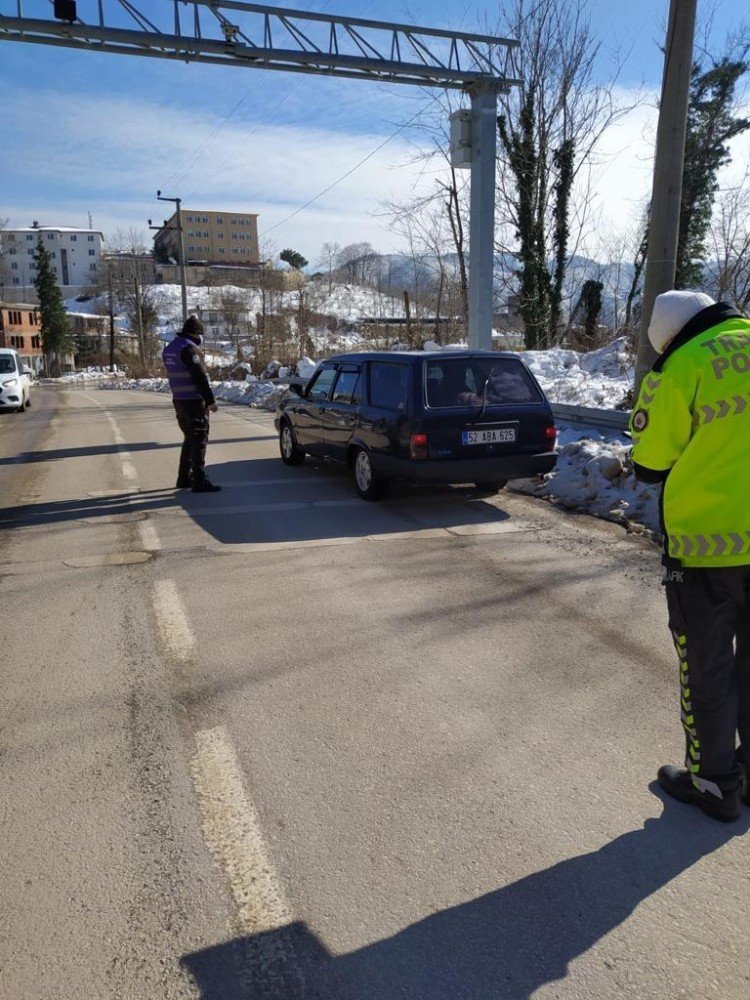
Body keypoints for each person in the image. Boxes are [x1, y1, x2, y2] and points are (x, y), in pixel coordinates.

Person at [630, 290, 750, 822]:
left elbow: (651, 461)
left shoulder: (683, 365)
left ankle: (715, 783)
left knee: (706, 664)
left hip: (708, 549)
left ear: (670, 336)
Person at [162, 315, 221, 493]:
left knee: (190, 438)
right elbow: (200, 377)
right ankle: (199, 480)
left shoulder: (170, 348)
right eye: (201, 335)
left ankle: (184, 478)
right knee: (199, 440)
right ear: (196, 335)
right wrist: (210, 401)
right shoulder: (190, 349)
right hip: (194, 401)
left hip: (179, 400)